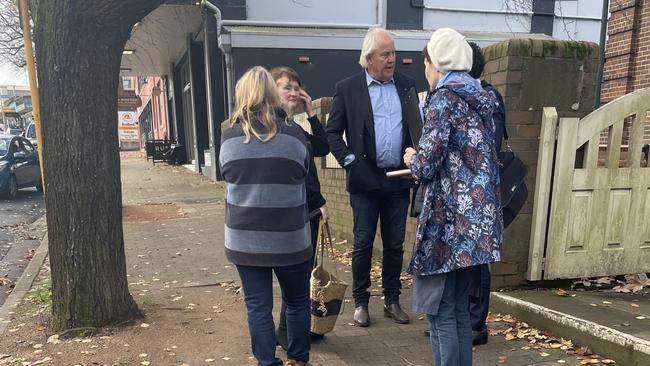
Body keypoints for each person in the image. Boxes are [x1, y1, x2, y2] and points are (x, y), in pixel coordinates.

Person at [402, 28, 503, 366]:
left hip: (448, 223)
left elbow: (426, 166)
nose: (425, 71)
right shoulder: (482, 98)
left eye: (426, 62)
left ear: (437, 61)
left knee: (441, 312)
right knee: (459, 309)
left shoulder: (443, 97)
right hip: (477, 222)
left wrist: (411, 159)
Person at [219, 66, 311, 366]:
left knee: (257, 306)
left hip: (245, 240)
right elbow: (304, 173)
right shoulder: (296, 136)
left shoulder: (229, 139)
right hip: (291, 239)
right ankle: (298, 359)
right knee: (297, 302)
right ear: (273, 94)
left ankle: (266, 362)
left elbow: (226, 176)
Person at [326, 27, 416, 327]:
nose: (392, 59)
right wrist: (349, 161)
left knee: (394, 244)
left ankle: (392, 300)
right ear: (369, 58)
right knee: (364, 242)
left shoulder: (406, 85)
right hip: (365, 181)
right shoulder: (347, 88)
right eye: (385, 54)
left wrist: (415, 152)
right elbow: (332, 133)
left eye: (393, 53)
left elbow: (417, 129)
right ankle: (362, 302)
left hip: (398, 179)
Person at [270, 66, 329, 348]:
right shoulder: (276, 129)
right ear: (272, 91)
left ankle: (292, 330)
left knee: (302, 277)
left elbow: (323, 146)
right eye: (286, 87)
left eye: (296, 87)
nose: (292, 92)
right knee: (295, 278)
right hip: (296, 213)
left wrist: (311, 112)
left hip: (310, 211)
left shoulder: (297, 128)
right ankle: (288, 333)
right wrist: (319, 203)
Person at [467, 41, 507, 346]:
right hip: (463, 194)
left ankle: (477, 324)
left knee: (479, 259)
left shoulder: (488, 98)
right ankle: (461, 319)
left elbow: (490, 147)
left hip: (479, 195)